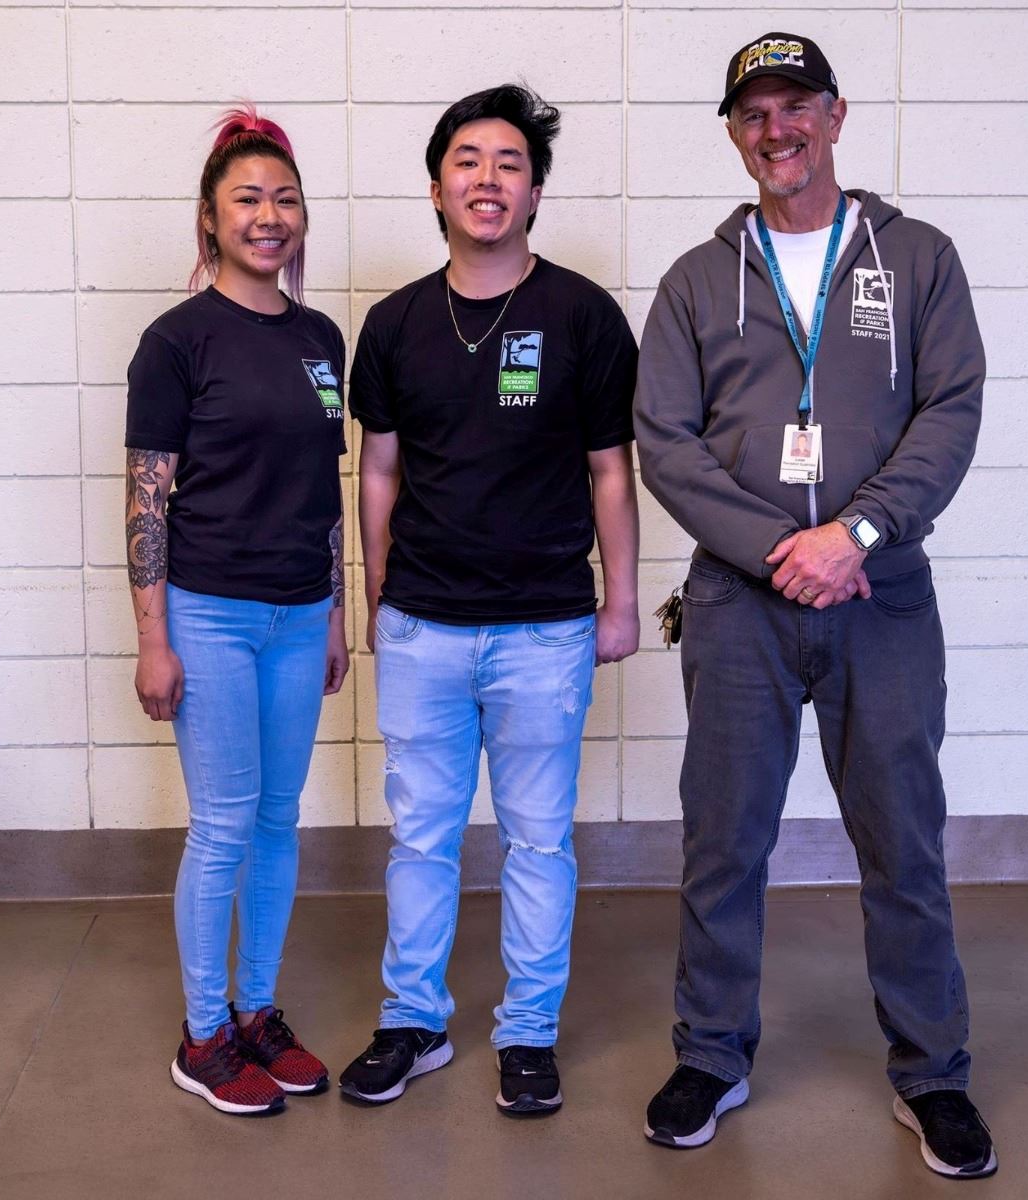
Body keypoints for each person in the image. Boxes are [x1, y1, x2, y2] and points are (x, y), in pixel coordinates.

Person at [633, 33, 997, 1178]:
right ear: (735, 131)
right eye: (754, 112)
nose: (776, 129)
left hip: (881, 597)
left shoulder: (918, 258)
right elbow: (666, 443)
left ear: (836, 117)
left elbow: (951, 411)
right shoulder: (698, 279)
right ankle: (711, 1054)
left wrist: (858, 535)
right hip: (740, 606)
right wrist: (782, 547)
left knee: (903, 839)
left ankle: (933, 1071)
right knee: (724, 840)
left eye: (797, 107)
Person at [340, 84, 639, 1118]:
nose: (487, 179)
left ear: (536, 192)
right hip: (423, 623)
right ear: (436, 187)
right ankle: (412, 1022)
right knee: (421, 837)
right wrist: (380, 594)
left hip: (546, 625)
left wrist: (622, 602)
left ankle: (528, 1033)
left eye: (509, 163)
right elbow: (377, 469)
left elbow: (611, 469)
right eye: (467, 161)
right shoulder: (392, 324)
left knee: (537, 840)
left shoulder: (584, 316)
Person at [124, 105, 348, 1116]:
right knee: (220, 828)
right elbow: (146, 500)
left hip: (301, 619)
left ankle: (257, 1011)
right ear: (210, 221)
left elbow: (325, 488)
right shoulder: (175, 343)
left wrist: (338, 614)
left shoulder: (319, 339)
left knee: (275, 820)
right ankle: (203, 1031)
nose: (270, 215)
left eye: (285, 198)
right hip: (209, 617)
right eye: (247, 199)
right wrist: (153, 642)